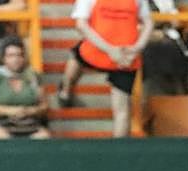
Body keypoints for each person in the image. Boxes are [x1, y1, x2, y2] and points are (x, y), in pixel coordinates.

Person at [58, 0, 153, 138]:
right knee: (122, 110)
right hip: (109, 52)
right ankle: (66, 90)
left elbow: (148, 22)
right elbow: (81, 25)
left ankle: (65, 90)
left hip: (123, 56)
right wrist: (123, 49)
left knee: (122, 110)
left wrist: (136, 48)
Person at [0, 36, 50, 138]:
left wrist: (30, 111)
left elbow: (45, 106)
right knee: (1, 136)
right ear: (4, 58)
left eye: (19, 55)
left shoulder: (33, 76)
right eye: (11, 55)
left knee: (43, 136)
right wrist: (11, 111)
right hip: (0, 123)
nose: (15, 59)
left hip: (29, 123)